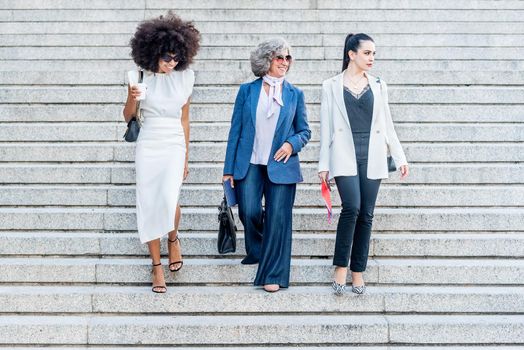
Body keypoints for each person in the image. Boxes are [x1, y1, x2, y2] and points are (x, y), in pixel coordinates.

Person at [318, 33, 409, 295]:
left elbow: (388, 124)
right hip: (343, 155)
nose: (372, 58)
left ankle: (358, 271)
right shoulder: (330, 85)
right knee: (352, 207)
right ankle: (340, 268)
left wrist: (399, 157)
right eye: (367, 53)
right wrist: (323, 164)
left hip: (373, 156)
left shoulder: (379, 84)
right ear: (352, 54)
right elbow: (326, 129)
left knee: (367, 214)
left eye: (374, 54)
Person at [223, 38, 311, 292]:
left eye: (288, 58)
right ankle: (260, 248)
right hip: (249, 162)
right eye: (279, 58)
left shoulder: (295, 94)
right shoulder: (247, 91)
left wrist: (291, 144)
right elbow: (235, 130)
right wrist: (228, 169)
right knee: (249, 210)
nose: (284, 62)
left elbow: (304, 130)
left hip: (281, 164)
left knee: (278, 218)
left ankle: (273, 273)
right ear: (266, 60)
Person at [123, 12, 200, 293]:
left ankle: (173, 237)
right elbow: (128, 116)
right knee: (150, 202)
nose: (172, 63)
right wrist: (132, 98)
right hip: (149, 140)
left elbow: (185, 118)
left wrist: (186, 155)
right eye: (167, 57)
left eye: (177, 57)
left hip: (174, 141)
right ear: (153, 52)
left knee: (169, 199)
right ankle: (157, 266)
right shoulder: (138, 76)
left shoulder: (185, 77)